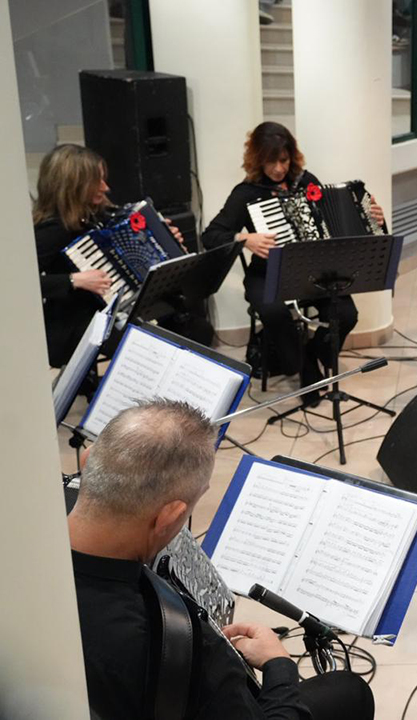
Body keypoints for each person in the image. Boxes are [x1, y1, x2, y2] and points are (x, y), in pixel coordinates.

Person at [68, 400, 374, 719]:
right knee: (351, 692)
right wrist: (279, 667)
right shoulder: (182, 646)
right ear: (170, 517)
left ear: (88, 462)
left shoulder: (17, 556)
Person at [203, 122, 379, 405]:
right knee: (273, 312)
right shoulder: (246, 193)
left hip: (313, 270)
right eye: (270, 161)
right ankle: (303, 367)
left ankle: (310, 354)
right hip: (268, 272)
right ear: (257, 159)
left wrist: (370, 217)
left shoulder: (306, 181)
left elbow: (332, 222)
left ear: (292, 156)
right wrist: (245, 238)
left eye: (283, 160)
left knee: (346, 313)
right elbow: (211, 235)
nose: (278, 169)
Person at [32, 144, 209, 369]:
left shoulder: (100, 215)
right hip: (77, 319)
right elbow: (21, 284)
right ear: (73, 186)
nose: (105, 187)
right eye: (96, 181)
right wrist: (74, 280)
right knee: (143, 353)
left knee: (196, 327)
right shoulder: (52, 230)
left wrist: (166, 239)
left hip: (120, 308)